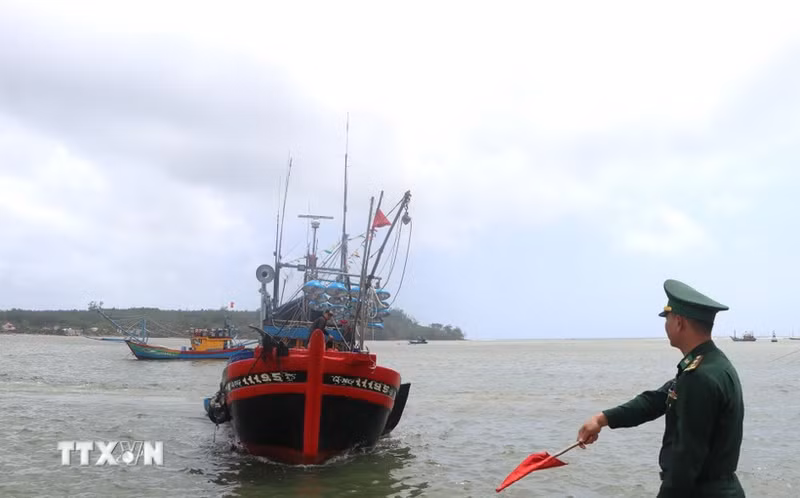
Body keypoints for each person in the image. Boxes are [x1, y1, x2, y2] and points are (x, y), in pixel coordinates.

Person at [577, 279, 744, 497]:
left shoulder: (700, 377)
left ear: (679, 322)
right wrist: (602, 419)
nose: (665, 326)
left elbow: (686, 459)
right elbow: (655, 401)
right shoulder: (711, 364)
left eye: (667, 318)